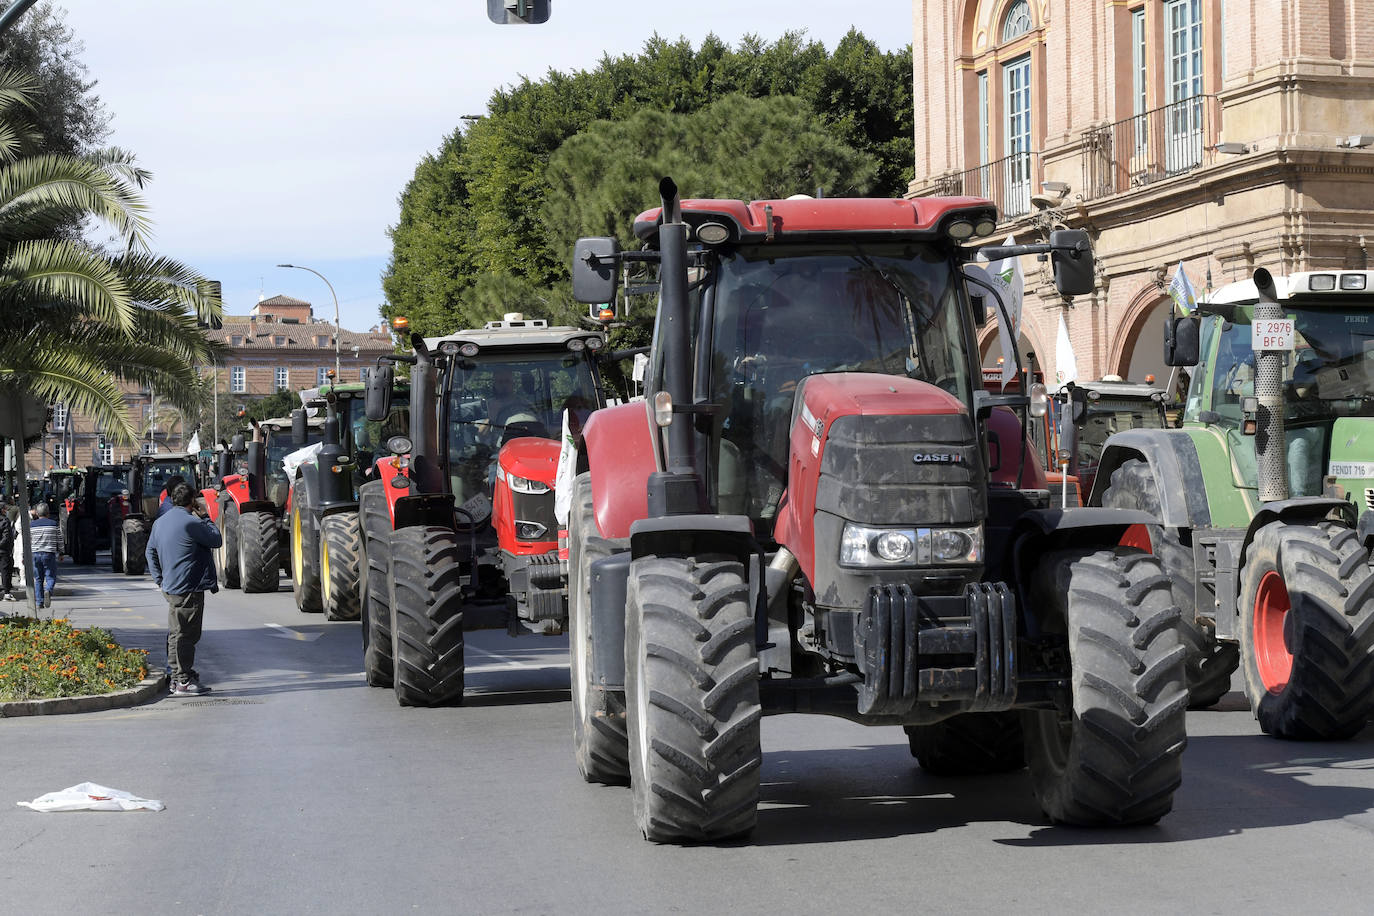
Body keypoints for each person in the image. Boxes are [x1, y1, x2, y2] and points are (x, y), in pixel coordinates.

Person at [147, 483, 222, 696]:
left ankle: (176, 676)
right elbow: (216, 539)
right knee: (186, 635)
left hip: (170, 585)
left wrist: (159, 579)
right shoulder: (191, 523)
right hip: (188, 586)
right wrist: (206, 516)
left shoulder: (160, 522)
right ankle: (183, 681)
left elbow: (150, 552)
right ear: (192, 501)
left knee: (176, 632)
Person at [29, 502, 60, 609]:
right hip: (49, 553)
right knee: (50, 576)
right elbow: (59, 540)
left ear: (37, 513)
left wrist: (25, 555)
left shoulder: (31, 525)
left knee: (38, 579)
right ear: (48, 513)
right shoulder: (54, 524)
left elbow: (28, 541)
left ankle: (39, 602)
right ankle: (48, 590)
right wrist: (61, 552)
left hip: (35, 554)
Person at [0, 499, 14, 601]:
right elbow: (7, 537)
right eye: (5, 509)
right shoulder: (5, 521)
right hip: (3, 551)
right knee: (5, 571)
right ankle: (6, 593)